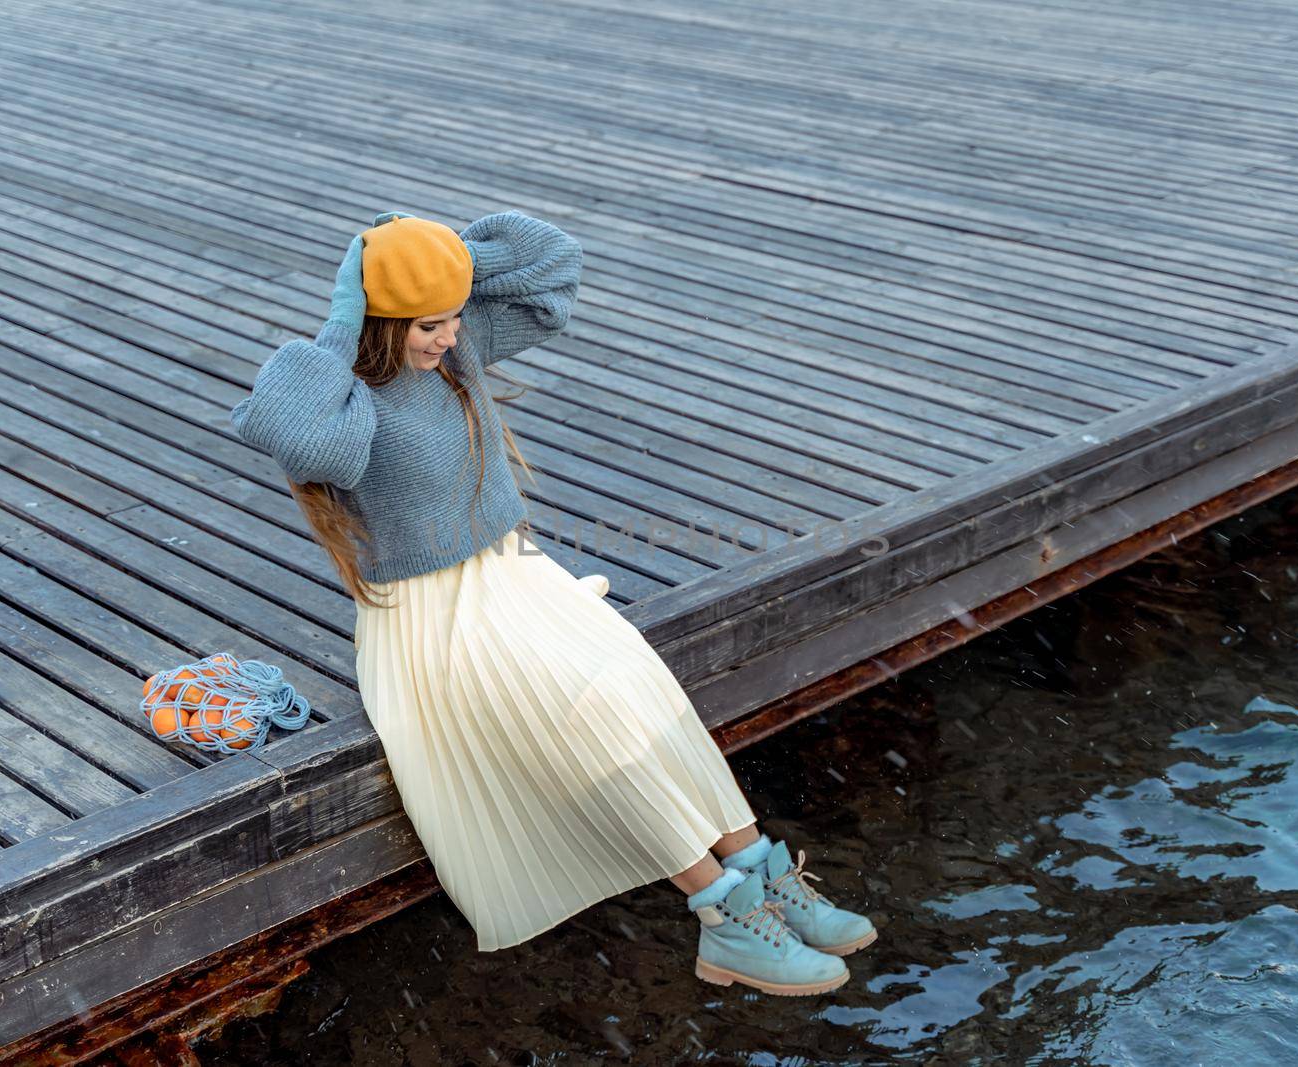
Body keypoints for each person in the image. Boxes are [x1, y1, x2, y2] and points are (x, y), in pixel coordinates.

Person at [228, 209, 876, 996]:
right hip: (434, 624)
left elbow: (552, 266)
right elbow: (289, 431)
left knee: (640, 686)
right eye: (428, 324)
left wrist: (440, 258)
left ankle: (757, 869)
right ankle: (722, 915)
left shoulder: (456, 360)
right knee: (588, 714)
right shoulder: (351, 402)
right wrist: (347, 304)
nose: (447, 337)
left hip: (519, 583)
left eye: (454, 318)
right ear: (380, 319)